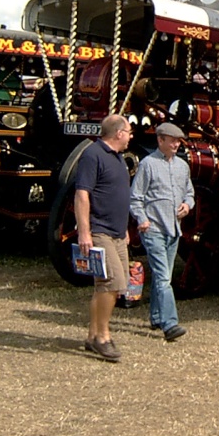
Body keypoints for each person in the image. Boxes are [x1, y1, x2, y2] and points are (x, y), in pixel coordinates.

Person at [75, 114, 134, 362]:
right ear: (118, 133)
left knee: (109, 286)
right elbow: (82, 195)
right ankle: (103, 337)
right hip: (100, 231)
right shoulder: (93, 155)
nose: (131, 136)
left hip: (118, 232)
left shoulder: (119, 158)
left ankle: (91, 335)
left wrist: (126, 228)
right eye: (129, 131)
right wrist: (84, 232)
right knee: (111, 283)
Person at [130, 122, 194, 342]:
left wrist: (187, 205)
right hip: (154, 228)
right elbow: (136, 196)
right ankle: (170, 323)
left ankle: (157, 316)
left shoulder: (182, 167)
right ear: (160, 141)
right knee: (163, 277)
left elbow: (190, 193)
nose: (176, 144)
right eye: (172, 140)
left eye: (178, 141)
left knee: (162, 275)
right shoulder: (148, 165)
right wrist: (143, 219)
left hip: (173, 229)